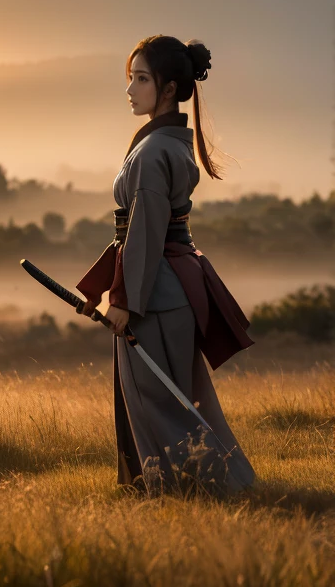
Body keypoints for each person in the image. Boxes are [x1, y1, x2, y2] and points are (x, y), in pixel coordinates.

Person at [76, 35, 255, 495]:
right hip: (172, 291)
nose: (130, 90)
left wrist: (124, 301)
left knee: (159, 401)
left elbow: (146, 235)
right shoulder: (167, 144)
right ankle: (206, 488)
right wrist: (103, 287)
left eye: (141, 79)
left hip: (155, 297)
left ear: (170, 89)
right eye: (129, 78)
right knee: (182, 400)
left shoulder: (154, 151)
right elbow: (139, 232)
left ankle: (203, 490)